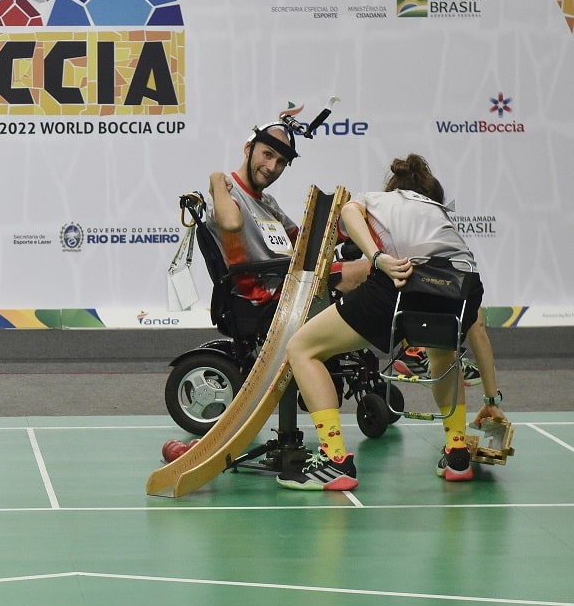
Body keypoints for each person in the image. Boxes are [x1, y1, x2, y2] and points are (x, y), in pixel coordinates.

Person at [279, 153, 485, 491]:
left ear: (394, 187)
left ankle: (335, 462)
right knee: (441, 356)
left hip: (402, 279)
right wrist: (491, 396)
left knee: (302, 348)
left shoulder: (378, 199)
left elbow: (347, 211)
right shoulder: (437, 210)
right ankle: (457, 455)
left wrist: (377, 258)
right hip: (464, 286)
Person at [206, 121, 370, 306]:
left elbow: (306, 246)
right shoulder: (225, 193)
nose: (271, 167)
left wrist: (352, 227)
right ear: (248, 148)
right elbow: (231, 223)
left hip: (290, 282)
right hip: (265, 296)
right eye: (267, 154)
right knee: (371, 271)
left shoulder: (268, 203)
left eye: (281, 162)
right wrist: (216, 179)